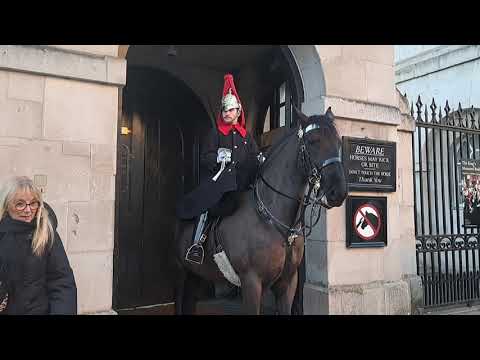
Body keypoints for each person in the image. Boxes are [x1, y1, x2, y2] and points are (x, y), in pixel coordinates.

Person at [176, 74, 261, 264]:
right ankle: (197, 245)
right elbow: (204, 157)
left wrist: (261, 160)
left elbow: (255, 158)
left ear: (238, 112)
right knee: (207, 204)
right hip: (219, 184)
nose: (227, 113)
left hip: (243, 185)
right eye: (224, 110)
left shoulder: (246, 137)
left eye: (230, 110)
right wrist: (218, 157)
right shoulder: (215, 133)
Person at [0, 176, 77, 315]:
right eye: (20, 204)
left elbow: (61, 281)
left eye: (33, 203)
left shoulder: (46, 232)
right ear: (7, 205)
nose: (28, 210)